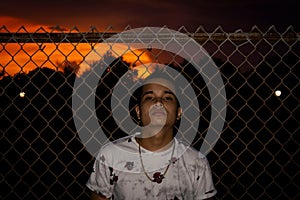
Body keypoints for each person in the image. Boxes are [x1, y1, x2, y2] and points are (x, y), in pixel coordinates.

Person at [87, 70, 217, 199]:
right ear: (138, 112)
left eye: (167, 98)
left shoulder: (197, 162)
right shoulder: (110, 155)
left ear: (178, 113)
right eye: (149, 97)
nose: (158, 102)